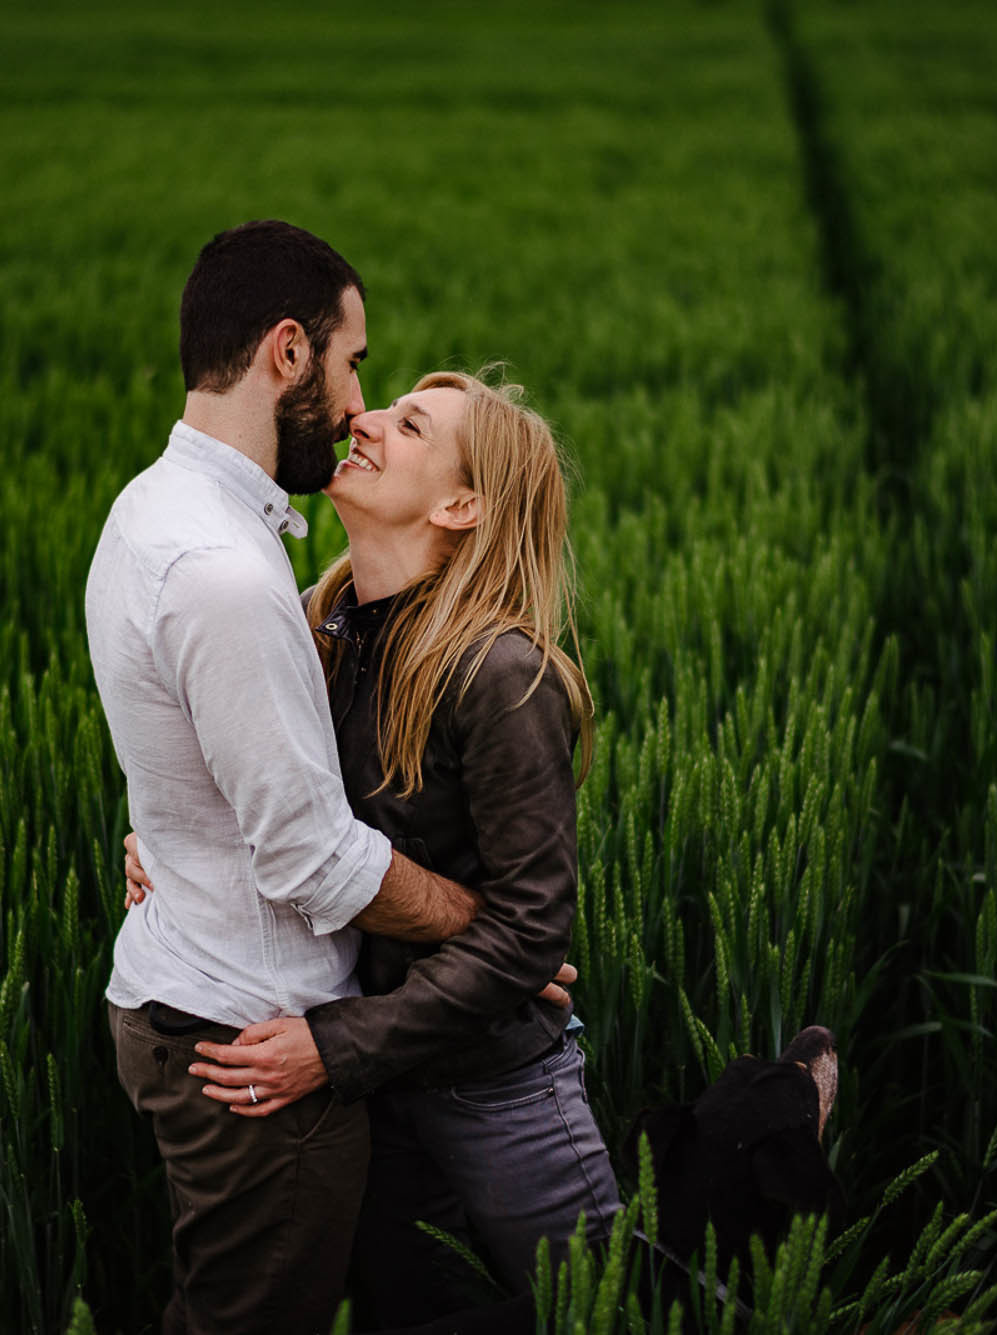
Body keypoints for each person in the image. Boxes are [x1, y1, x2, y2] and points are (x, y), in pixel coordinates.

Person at [87, 221, 546, 1335]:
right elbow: (307, 851)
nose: (357, 409)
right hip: (253, 1039)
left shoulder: (165, 519)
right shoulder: (240, 579)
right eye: (353, 366)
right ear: (286, 354)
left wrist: (172, 832)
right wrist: (489, 932)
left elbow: (206, 755)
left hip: (232, 1012)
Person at [126, 369, 620, 1326]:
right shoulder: (315, 630)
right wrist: (161, 841)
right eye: (382, 404)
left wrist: (333, 1047)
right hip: (373, 1098)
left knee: (600, 1309)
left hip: (499, 1086)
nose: (364, 418)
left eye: (409, 424)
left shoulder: (503, 676)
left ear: (461, 502)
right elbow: (249, 794)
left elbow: (529, 934)